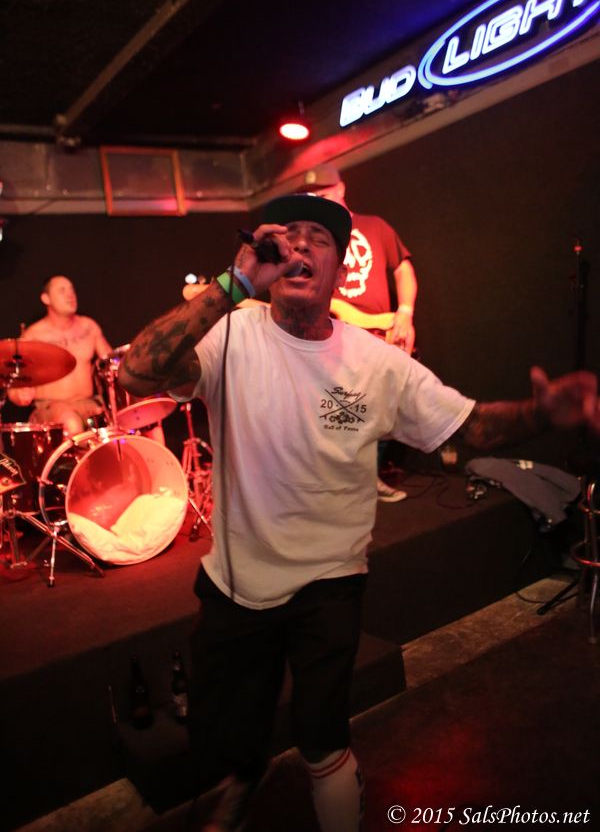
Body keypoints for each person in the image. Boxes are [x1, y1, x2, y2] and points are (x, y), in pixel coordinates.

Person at [118, 195, 599, 832]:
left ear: (340, 270)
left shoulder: (378, 364)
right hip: (237, 582)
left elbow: (472, 426)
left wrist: (543, 413)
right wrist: (235, 282)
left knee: (322, 735)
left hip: (329, 581)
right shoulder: (231, 335)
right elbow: (137, 374)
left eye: (317, 238)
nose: (298, 246)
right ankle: (243, 776)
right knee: (226, 725)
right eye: (286, 235)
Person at [299, 163, 418, 502]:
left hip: (379, 334)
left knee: (386, 411)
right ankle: (346, 485)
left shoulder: (374, 226)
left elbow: (403, 270)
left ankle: (367, 479)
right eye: (311, 196)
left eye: (324, 193)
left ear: (341, 189)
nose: (319, 201)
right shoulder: (309, 241)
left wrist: (404, 313)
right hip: (333, 338)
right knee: (339, 415)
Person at [8, 275, 112, 436]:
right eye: (62, 291)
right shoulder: (34, 335)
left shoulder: (89, 326)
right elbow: (13, 386)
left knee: (120, 418)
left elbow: (112, 364)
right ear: (46, 298)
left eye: (72, 290)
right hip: (52, 407)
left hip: (88, 403)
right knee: (71, 422)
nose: (70, 295)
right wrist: (19, 395)